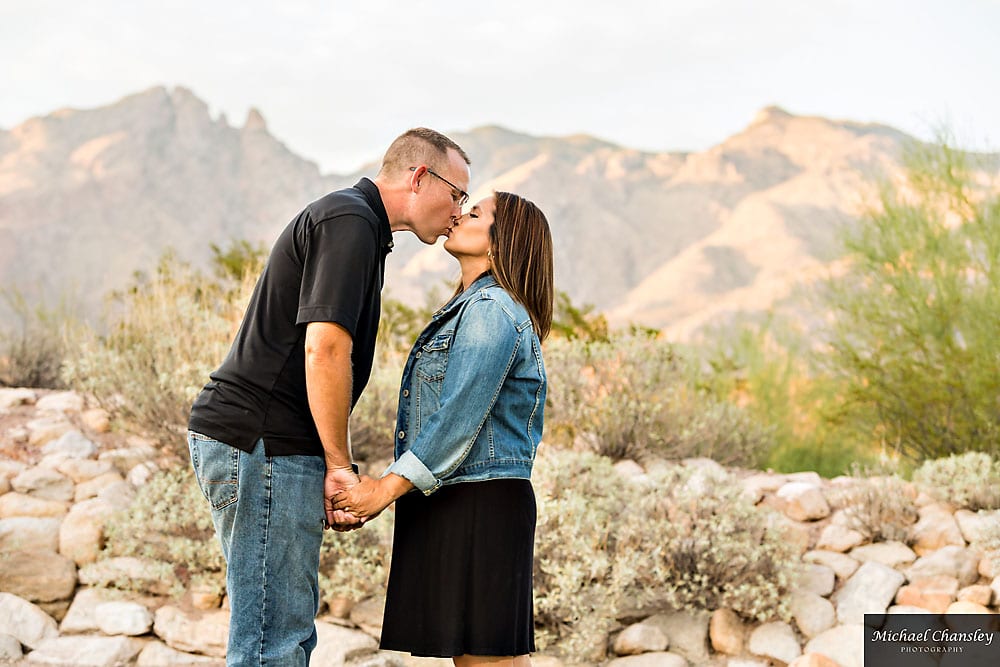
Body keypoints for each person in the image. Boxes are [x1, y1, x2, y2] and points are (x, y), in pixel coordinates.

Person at [186, 128, 471, 666]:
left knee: (279, 627)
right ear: (418, 177)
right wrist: (339, 466)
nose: (459, 212)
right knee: (274, 639)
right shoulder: (350, 223)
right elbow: (325, 349)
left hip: (267, 444)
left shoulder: (359, 226)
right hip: (264, 442)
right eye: (457, 194)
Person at [331, 190, 554, 667]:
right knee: (479, 661)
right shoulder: (472, 306)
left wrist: (383, 490)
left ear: (501, 243)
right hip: (458, 496)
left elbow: (457, 416)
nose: (458, 215)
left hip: (480, 501)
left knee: (486, 662)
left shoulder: (491, 310)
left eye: (474, 213)